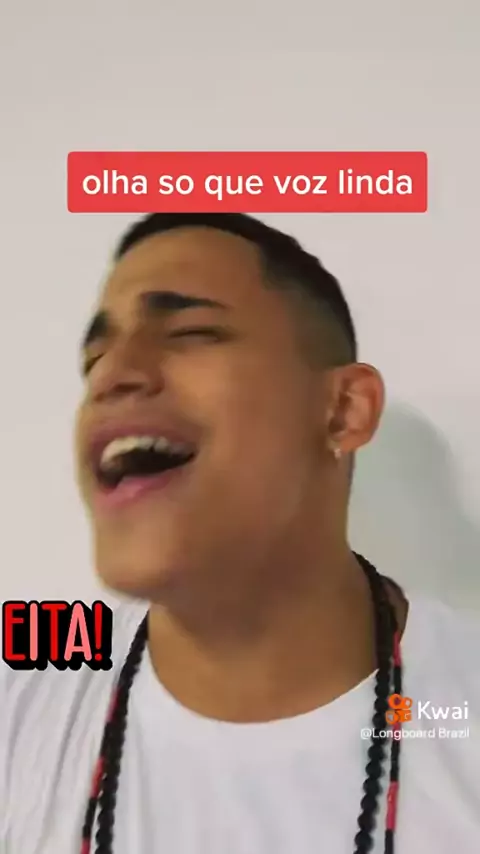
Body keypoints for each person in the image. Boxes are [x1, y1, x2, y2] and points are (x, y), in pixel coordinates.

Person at [1, 213, 479, 854]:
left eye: (190, 332)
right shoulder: (22, 696)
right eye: (94, 359)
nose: (112, 375)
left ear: (344, 410)